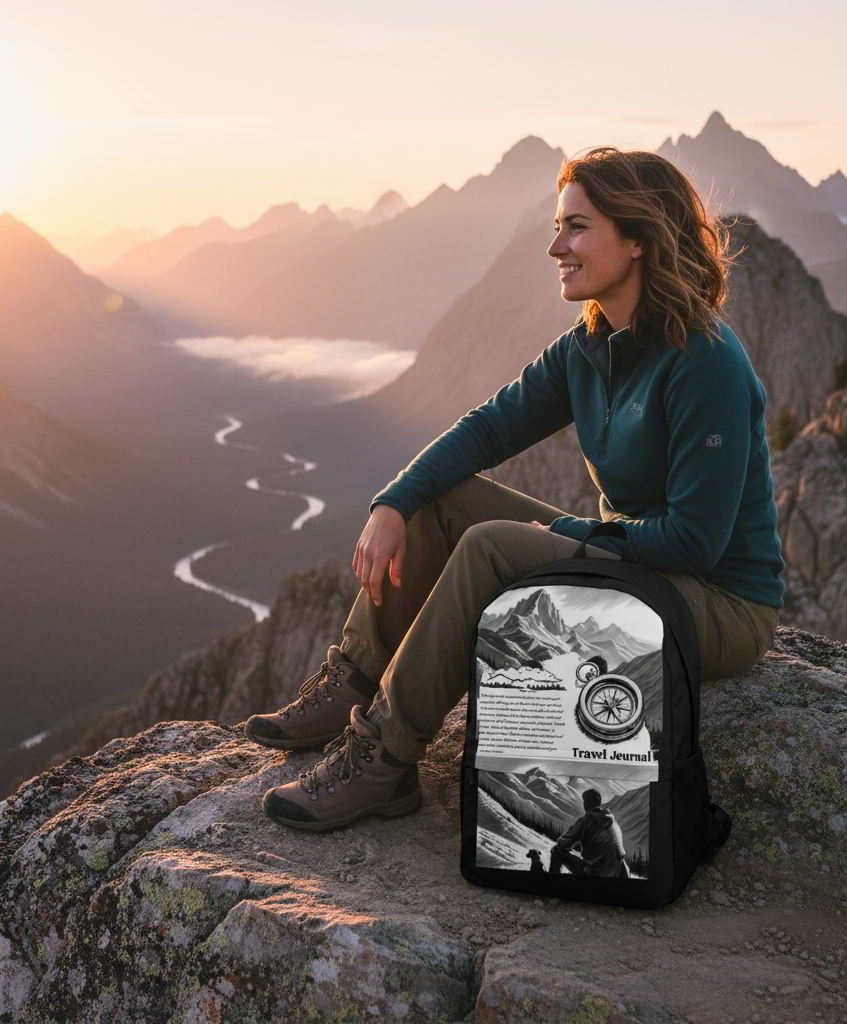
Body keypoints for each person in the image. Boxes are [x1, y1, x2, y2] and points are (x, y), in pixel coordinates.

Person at [245, 147, 784, 831]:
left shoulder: (704, 361)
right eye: (558, 227)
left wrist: (566, 536)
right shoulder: (591, 346)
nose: (556, 245)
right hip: (639, 566)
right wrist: (394, 501)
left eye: (577, 228)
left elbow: (697, 542)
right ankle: (354, 676)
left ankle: (384, 756)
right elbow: (486, 430)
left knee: (491, 547)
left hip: (718, 605)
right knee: (439, 504)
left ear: (640, 239)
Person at [548, 789, 628, 877]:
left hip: (598, 872)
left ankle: (552, 884)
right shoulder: (612, 821)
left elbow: (562, 843)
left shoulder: (585, 821)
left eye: (585, 801)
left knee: (556, 850)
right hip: (620, 872)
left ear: (586, 804)